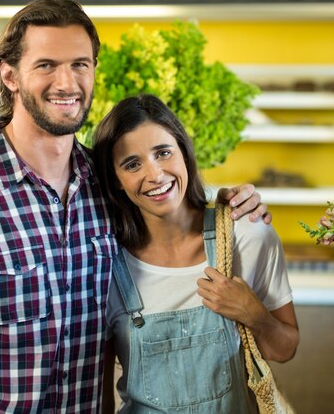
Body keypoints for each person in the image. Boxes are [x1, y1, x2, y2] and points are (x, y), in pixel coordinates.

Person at [0, 0, 271, 413]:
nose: (67, 83)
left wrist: (228, 206)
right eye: (47, 65)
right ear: (9, 74)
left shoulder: (110, 184)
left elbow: (177, 222)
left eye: (80, 64)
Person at [93, 94, 299, 414]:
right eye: (132, 164)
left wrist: (254, 314)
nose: (156, 175)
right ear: (116, 181)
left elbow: (285, 349)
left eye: (163, 153)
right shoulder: (105, 266)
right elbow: (101, 395)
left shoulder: (247, 235)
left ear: (184, 153)